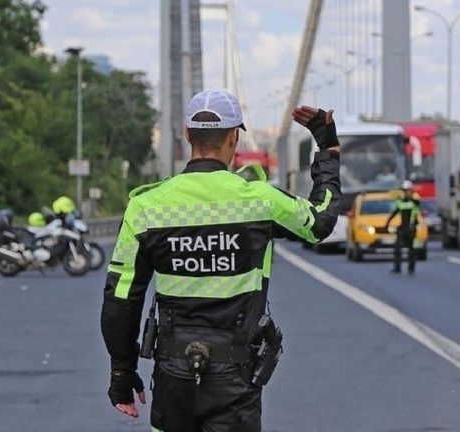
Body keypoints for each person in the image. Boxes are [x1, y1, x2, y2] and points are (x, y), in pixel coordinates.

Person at [100, 89, 341, 431]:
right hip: (236, 378)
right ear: (234, 137)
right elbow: (320, 222)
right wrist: (327, 147)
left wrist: (122, 373)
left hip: (172, 375)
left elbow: (120, 298)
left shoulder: (146, 208)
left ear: (188, 136)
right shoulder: (259, 200)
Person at [385, 180, 421, 274]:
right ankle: (397, 268)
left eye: (408, 190)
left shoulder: (415, 200)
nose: (406, 192)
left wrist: (412, 197)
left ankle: (411, 268)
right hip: (403, 227)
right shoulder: (400, 202)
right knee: (397, 248)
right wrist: (387, 224)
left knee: (412, 249)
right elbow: (393, 213)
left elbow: (418, 203)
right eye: (404, 191)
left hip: (412, 227)